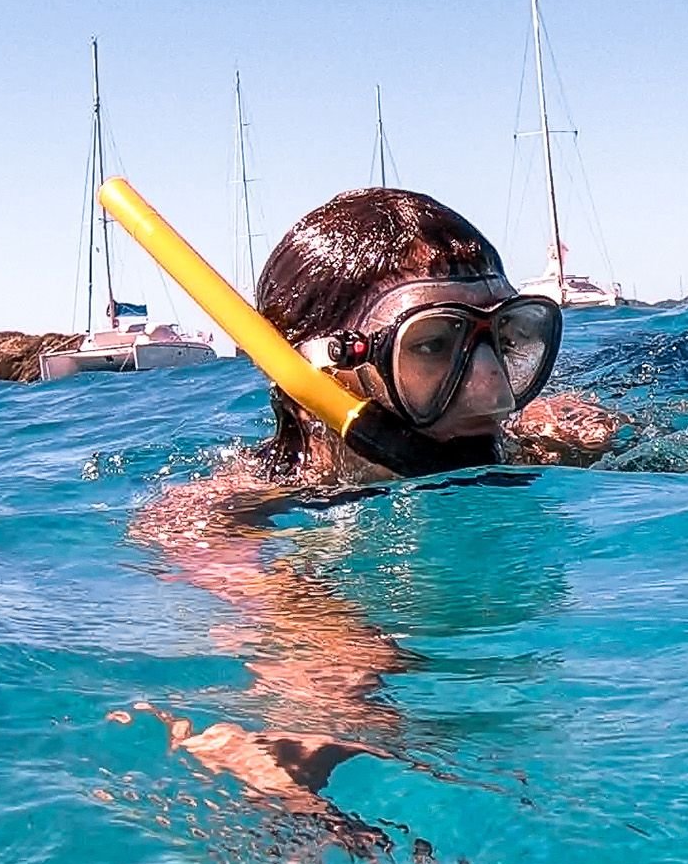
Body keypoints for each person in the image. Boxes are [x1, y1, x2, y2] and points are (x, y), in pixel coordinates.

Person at [131, 188, 620, 811]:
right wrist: (316, 623)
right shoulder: (236, 501)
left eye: (508, 336)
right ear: (315, 368)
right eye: (434, 345)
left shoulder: (552, 438)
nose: (493, 386)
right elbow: (181, 531)